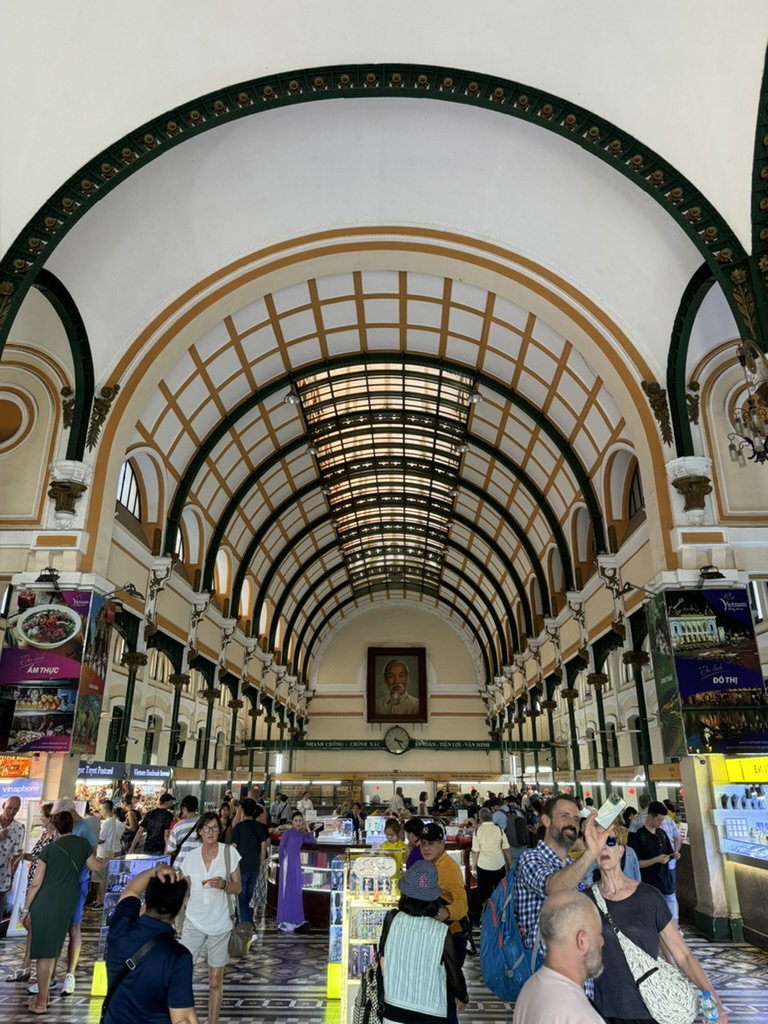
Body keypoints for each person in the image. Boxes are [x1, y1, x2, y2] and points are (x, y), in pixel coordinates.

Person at [590, 833, 728, 1024]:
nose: (604, 848)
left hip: (650, 1006)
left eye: (610, 842)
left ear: (621, 851)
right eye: (597, 844)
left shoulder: (649, 897)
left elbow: (683, 955)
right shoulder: (585, 901)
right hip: (603, 1009)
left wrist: (714, 999)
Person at [21, 810, 101, 1014]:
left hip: (46, 902)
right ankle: (44, 996)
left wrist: (26, 908)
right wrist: (109, 858)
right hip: (68, 900)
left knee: (45, 953)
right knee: (54, 947)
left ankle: (40, 1002)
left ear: (55, 827)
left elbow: (36, 882)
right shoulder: (82, 844)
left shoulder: (49, 849)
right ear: (72, 826)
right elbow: (96, 866)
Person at [514, 793, 613, 951]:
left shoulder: (572, 865)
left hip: (575, 964)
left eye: (575, 819)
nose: (572, 823)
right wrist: (590, 852)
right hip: (545, 967)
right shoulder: (530, 858)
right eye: (564, 816)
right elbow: (554, 890)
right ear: (546, 820)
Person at [104, 861, 198, 1024]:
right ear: (178, 911)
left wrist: (156, 870)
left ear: (145, 901)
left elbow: (132, 889)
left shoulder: (120, 930)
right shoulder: (178, 957)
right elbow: (183, 1019)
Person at [378, 860, 468, 1023]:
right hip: (431, 1013)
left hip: (394, 1010)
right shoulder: (441, 932)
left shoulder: (392, 919)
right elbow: (453, 972)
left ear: (404, 894)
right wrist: (462, 996)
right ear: (433, 898)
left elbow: (383, 957)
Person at [180, 811, 241, 1024]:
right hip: (194, 921)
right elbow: (184, 890)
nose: (211, 832)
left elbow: (238, 887)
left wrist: (224, 885)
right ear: (199, 831)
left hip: (221, 923)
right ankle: (182, 1018)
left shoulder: (229, 854)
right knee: (182, 973)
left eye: (215, 828)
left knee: (215, 981)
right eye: (206, 828)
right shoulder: (190, 858)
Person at [512, 890, 606, 1024]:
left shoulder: (530, 989)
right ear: (582, 941)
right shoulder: (581, 1017)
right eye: (598, 934)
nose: (602, 942)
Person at [418, 823, 469, 1024]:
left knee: (445, 998)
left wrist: (446, 912)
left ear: (442, 844)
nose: (426, 848)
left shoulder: (449, 868)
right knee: (439, 996)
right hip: (438, 940)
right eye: (423, 844)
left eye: (431, 843)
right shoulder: (429, 866)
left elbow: (462, 904)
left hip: (452, 941)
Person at [5, 803, 55, 984]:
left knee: (37, 928)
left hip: (42, 887)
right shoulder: (44, 835)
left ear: (51, 818)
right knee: (31, 928)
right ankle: (26, 965)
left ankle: (40, 971)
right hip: (33, 884)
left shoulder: (55, 838)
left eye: (43, 816)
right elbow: (36, 857)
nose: (41, 819)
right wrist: (22, 856)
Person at [627, 800, 680, 919]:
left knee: (672, 917)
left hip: (665, 882)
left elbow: (669, 852)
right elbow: (637, 864)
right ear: (650, 816)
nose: (660, 823)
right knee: (654, 917)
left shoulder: (661, 834)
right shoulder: (639, 837)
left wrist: (673, 855)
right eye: (658, 820)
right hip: (650, 884)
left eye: (662, 821)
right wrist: (655, 860)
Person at [276, 811, 319, 932]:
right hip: (287, 863)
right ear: (292, 822)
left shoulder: (301, 835)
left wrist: (306, 826)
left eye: (300, 820)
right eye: (296, 820)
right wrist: (282, 862)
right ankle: (284, 919)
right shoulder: (287, 833)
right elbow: (280, 849)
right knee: (286, 891)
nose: (298, 823)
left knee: (295, 891)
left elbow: (312, 840)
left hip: (296, 864)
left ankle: (295, 919)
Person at [232, 798, 269, 927]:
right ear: (254, 811)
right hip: (254, 867)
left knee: (242, 897)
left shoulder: (238, 827)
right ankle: (246, 923)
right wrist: (261, 863)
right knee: (247, 896)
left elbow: (234, 847)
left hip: (240, 867)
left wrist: (232, 867)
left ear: (242, 810)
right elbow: (263, 847)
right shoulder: (260, 827)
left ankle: (245, 924)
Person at [471, 807, 512, 908]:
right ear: (491, 817)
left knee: (484, 894)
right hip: (499, 865)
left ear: (480, 818)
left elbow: (475, 852)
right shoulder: (499, 830)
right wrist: (509, 864)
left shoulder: (477, 832)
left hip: (483, 867)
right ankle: (500, 914)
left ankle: (485, 917)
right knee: (500, 892)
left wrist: (473, 867)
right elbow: (506, 849)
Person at [93, 800, 126, 907]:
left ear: (105, 809)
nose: (101, 812)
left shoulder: (107, 822)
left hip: (102, 854)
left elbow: (101, 839)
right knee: (100, 879)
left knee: (100, 879)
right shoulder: (112, 821)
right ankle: (99, 899)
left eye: (101, 809)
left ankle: (101, 901)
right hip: (108, 852)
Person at [0, 796, 24, 917]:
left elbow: (16, 856)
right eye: (9, 808)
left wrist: (12, 878)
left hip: (3, 877)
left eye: (15, 809)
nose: (11, 812)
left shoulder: (19, 828)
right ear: (3, 805)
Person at [165, 795, 201, 871]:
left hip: (180, 866)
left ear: (184, 808)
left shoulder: (178, 825)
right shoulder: (204, 823)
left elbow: (170, 849)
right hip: (199, 865)